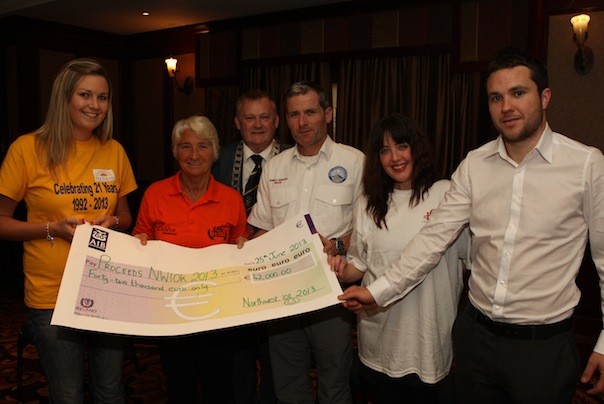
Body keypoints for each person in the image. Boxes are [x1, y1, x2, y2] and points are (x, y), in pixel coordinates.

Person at [338, 47, 604, 403]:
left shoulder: (586, 165)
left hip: (542, 347)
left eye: (518, 93)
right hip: (475, 338)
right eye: (496, 97)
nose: (506, 106)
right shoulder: (474, 166)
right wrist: (376, 292)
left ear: (545, 97)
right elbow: (432, 240)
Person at [0, 58, 137, 403]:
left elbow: (126, 215)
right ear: (64, 98)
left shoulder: (114, 151)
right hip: (52, 294)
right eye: (85, 95)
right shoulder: (27, 149)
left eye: (103, 97)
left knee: (110, 389)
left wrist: (114, 223)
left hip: (106, 286)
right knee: (69, 394)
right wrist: (52, 229)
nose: (95, 105)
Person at [329, 113, 469, 403]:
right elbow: (359, 265)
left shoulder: (447, 195)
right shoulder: (367, 203)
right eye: (384, 150)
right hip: (379, 340)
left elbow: (472, 260)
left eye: (401, 146)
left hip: (427, 338)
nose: (394, 157)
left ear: (416, 147)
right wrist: (341, 270)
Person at [248, 81, 365, 403]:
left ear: (327, 114)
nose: (302, 122)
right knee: (287, 384)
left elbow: (369, 230)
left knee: (335, 380)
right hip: (282, 293)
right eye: (294, 114)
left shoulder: (356, 163)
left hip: (331, 291)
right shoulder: (275, 166)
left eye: (310, 112)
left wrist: (338, 245)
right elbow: (261, 229)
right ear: (285, 120)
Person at [132, 115, 248, 403]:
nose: (194, 155)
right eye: (185, 146)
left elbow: (241, 248)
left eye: (203, 146)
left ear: (215, 152)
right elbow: (139, 238)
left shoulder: (232, 199)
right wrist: (139, 245)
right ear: (174, 151)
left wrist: (244, 247)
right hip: (169, 311)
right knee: (178, 385)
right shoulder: (155, 194)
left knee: (219, 386)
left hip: (217, 312)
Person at [212, 89, 287, 403]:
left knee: (277, 356)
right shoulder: (217, 159)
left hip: (277, 275)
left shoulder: (293, 161)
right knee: (237, 357)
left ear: (276, 121)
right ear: (237, 123)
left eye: (264, 117)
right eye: (249, 118)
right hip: (231, 277)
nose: (257, 125)